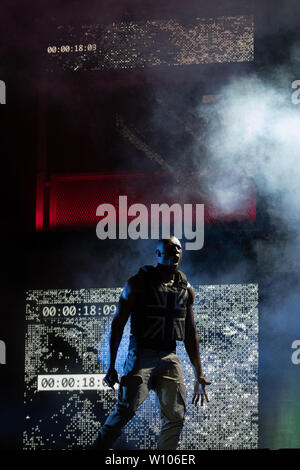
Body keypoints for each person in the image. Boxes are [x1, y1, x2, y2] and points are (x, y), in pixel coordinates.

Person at [94, 236, 211, 450]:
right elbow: (117, 325)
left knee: (175, 416)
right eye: (169, 248)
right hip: (141, 354)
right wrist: (111, 366)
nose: (174, 252)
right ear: (157, 254)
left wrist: (198, 373)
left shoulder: (186, 289)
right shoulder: (137, 283)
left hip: (169, 356)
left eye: (178, 248)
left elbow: (190, 332)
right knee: (126, 409)